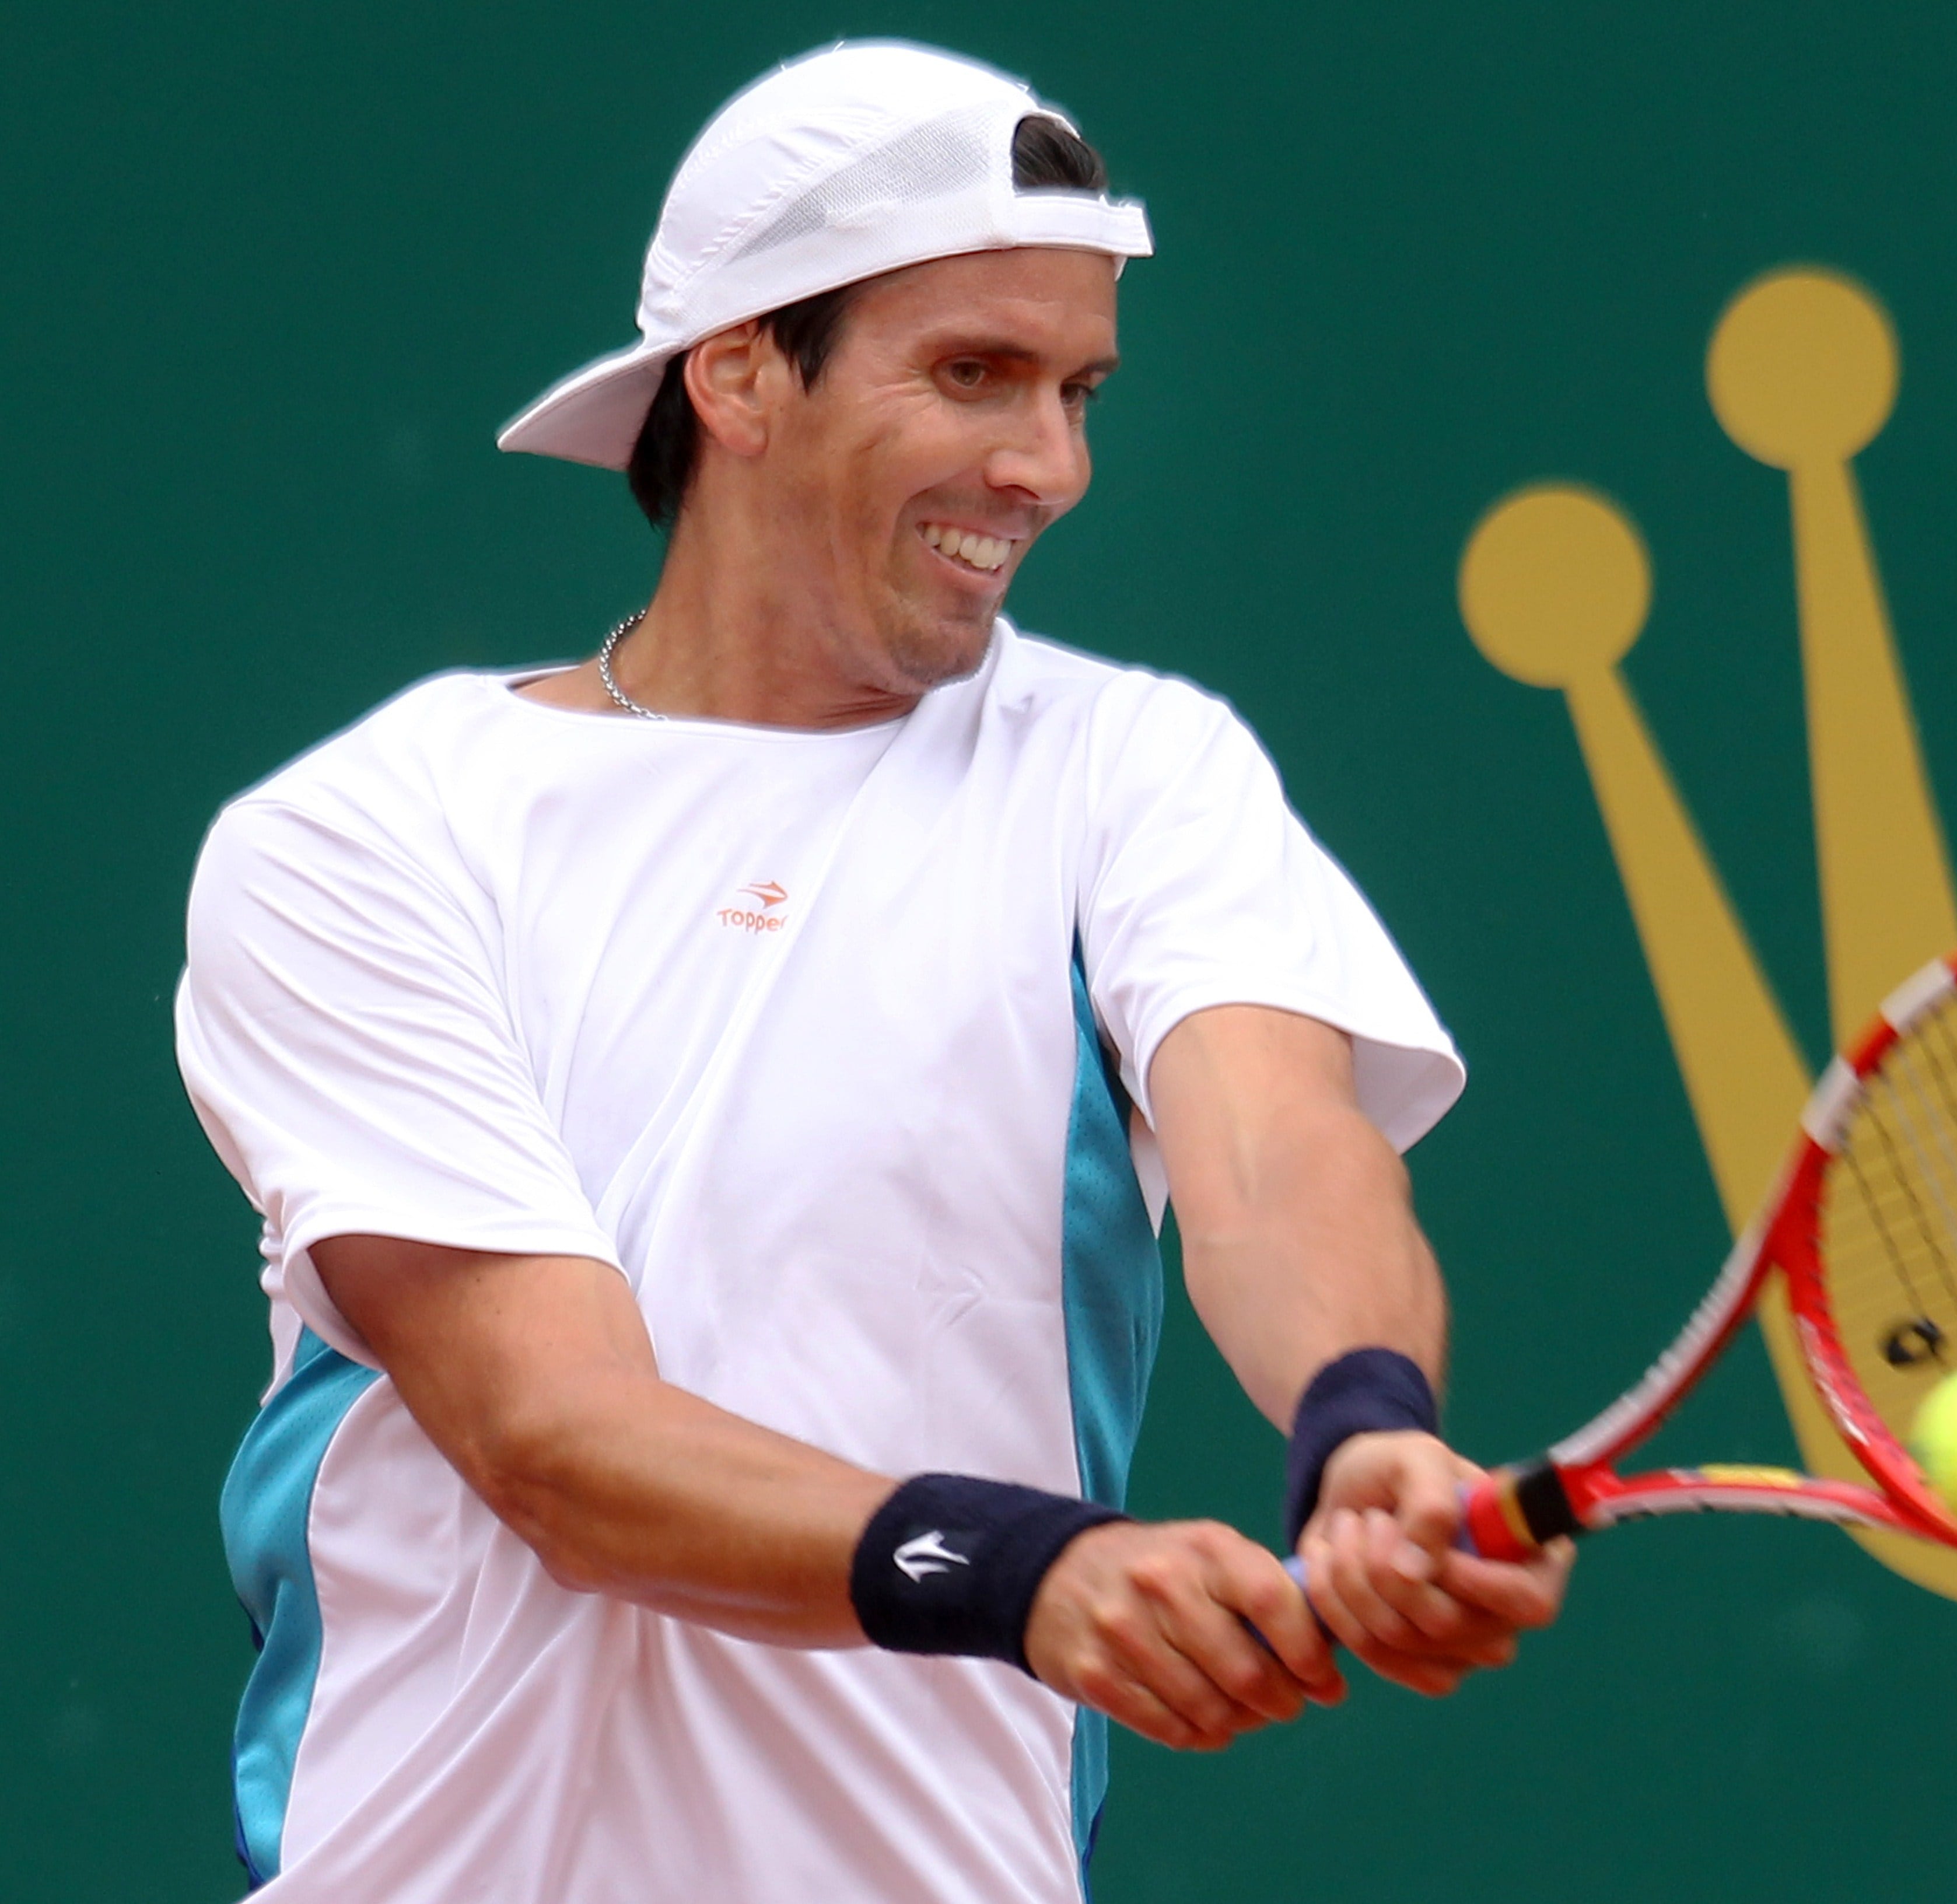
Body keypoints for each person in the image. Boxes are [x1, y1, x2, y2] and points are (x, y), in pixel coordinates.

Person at [176, 40, 1569, 1903]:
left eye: (1079, 389)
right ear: (739, 371)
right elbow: (555, 1435)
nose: (1047, 465)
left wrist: (1363, 1419)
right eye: (974, 375)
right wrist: (1029, 1571)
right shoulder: (363, 837)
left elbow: (1272, 1146)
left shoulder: (1133, 768)